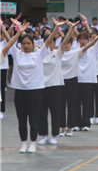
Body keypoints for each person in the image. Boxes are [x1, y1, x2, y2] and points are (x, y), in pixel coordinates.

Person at [7, 21, 62, 153]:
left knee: (34, 118)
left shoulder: (39, 54)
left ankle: (32, 142)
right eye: (23, 43)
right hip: (20, 91)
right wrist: (14, 30)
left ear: (33, 44)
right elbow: (10, 41)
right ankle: (23, 143)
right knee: (21, 119)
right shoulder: (17, 53)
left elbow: (48, 41)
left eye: (28, 43)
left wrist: (56, 28)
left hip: (35, 91)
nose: (26, 46)